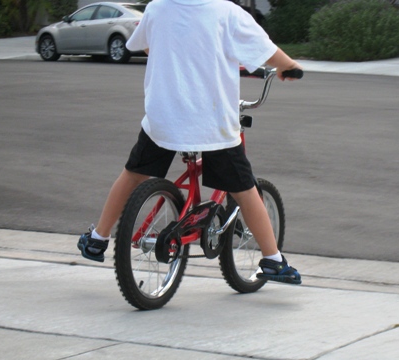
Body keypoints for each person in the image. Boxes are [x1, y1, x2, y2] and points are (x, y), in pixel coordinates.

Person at [78, 0, 302, 284]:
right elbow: (266, 51)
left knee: (133, 175)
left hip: (164, 119)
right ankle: (272, 260)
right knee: (245, 190)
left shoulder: (158, 8)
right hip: (211, 124)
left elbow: (148, 46)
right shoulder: (227, 12)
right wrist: (288, 66)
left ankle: (98, 238)